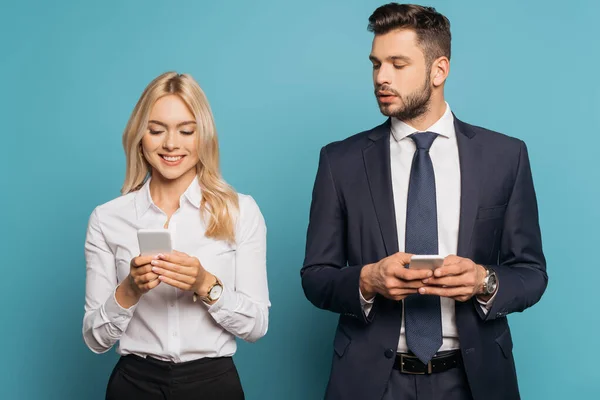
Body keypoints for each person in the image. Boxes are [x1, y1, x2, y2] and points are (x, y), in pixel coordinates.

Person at [300, 4, 547, 400]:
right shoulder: (339, 161)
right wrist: (366, 280)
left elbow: (532, 273)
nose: (381, 77)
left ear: (439, 70)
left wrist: (484, 281)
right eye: (376, 64)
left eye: (398, 64)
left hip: (474, 378)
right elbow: (315, 276)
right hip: (371, 382)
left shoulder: (505, 156)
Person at [82, 71, 269, 400]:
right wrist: (129, 290)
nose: (171, 144)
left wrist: (206, 285)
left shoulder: (241, 212)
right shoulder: (107, 218)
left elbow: (256, 326)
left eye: (186, 131)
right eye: (156, 130)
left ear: (204, 137)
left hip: (213, 384)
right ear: (140, 136)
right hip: (134, 385)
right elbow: (95, 339)